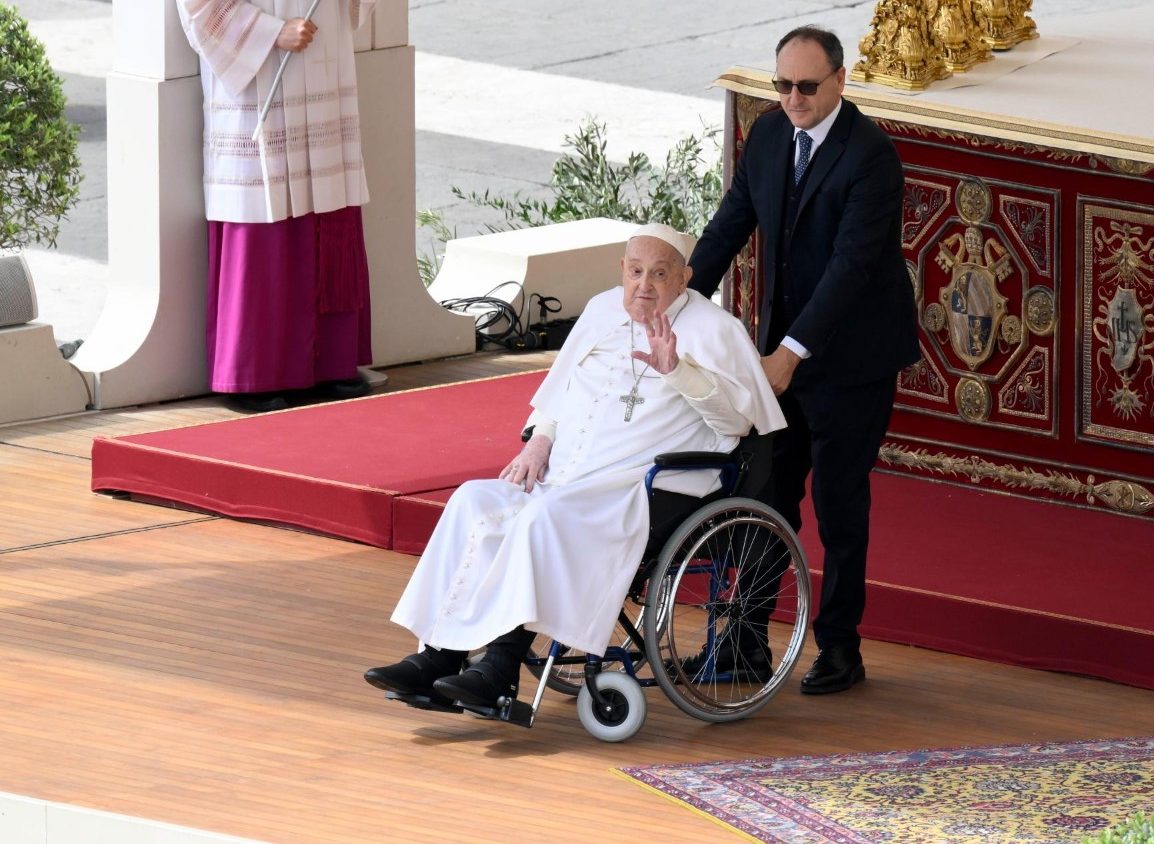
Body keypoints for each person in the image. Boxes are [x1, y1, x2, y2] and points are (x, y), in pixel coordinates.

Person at [365, 224, 786, 710]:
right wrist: (540, 440)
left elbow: (738, 423)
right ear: (621, 270)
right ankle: (439, 655)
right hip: (562, 475)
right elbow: (560, 390)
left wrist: (679, 373)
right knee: (472, 501)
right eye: (635, 271)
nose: (644, 285)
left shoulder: (716, 330)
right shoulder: (601, 309)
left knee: (544, 520)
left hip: (639, 490)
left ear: (684, 278)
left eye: (659, 273)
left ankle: (499, 669)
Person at [687, 26, 920, 694]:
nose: (793, 98)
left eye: (807, 87)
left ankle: (841, 649)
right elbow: (729, 226)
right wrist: (675, 304)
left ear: (841, 81)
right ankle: (746, 642)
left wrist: (789, 356)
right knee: (765, 494)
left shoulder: (871, 157)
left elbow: (850, 270)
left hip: (853, 360)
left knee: (838, 504)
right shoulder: (767, 135)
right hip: (779, 357)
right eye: (783, 85)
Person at [176, 0, 376, 413]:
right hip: (259, 73)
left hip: (323, 55)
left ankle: (331, 361)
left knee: (329, 199)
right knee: (260, 210)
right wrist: (268, 32)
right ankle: (256, 371)